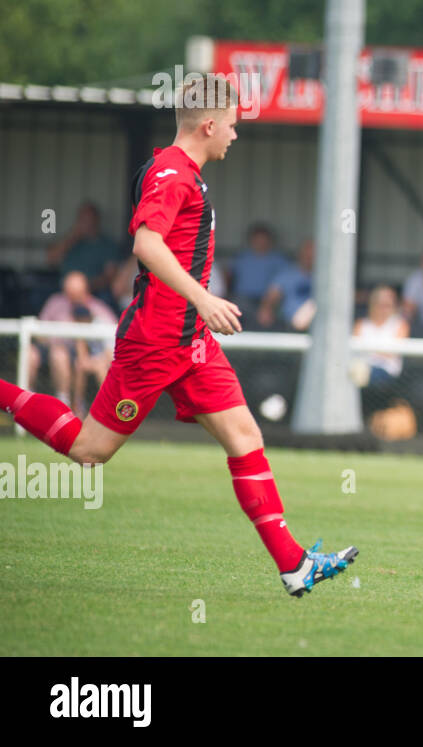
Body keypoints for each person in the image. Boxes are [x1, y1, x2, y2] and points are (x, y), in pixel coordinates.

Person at [0, 75, 357, 597]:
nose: (235, 135)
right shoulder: (171, 174)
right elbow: (147, 244)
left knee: (246, 440)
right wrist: (203, 297)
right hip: (156, 341)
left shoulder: (181, 170)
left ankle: (294, 565)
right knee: (89, 450)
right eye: (232, 125)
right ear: (209, 124)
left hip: (191, 344)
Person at [27, 271, 118, 417]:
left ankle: (99, 408)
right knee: (39, 353)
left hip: (87, 353)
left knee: (76, 361)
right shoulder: (55, 302)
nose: (73, 296)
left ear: (85, 290)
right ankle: (28, 401)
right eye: (70, 292)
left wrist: (96, 357)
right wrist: (55, 340)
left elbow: (111, 340)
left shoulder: (97, 309)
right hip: (53, 346)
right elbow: (39, 333)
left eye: (77, 292)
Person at [45, 201, 122, 303]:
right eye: (82, 219)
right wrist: (73, 236)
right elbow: (50, 259)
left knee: (107, 297)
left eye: (88, 219)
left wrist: (86, 287)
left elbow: (109, 276)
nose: (85, 223)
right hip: (65, 289)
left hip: (94, 291)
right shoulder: (70, 240)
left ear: (96, 220)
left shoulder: (107, 245)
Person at [229, 223, 291, 327]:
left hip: (271, 301)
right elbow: (229, 277)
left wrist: (268, 305)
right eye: (257, 239)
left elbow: (285, 283)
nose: (261, 242)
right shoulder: (242, 258)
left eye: (263, 239)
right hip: (243, 299)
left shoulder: (279, 260)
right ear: (251, 240)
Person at [353, 285, 409, 388]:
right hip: (360, 368)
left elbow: (393, 352)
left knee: (360, 373)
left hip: (386, 373)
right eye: (380, 305)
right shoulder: (360, 324)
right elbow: (354, 352)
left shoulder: (400, 325)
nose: (384, 309)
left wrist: (367, 349)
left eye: (388, 305)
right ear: (372, 304)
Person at [259, 239, 315, 331]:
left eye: (313, 255)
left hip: (321, 324)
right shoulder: (287, 275)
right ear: (300, 254)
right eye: (307, 254)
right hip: (290, 324)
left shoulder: (326, 278)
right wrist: (266, 309)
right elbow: (271, 297)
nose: (309, 257)